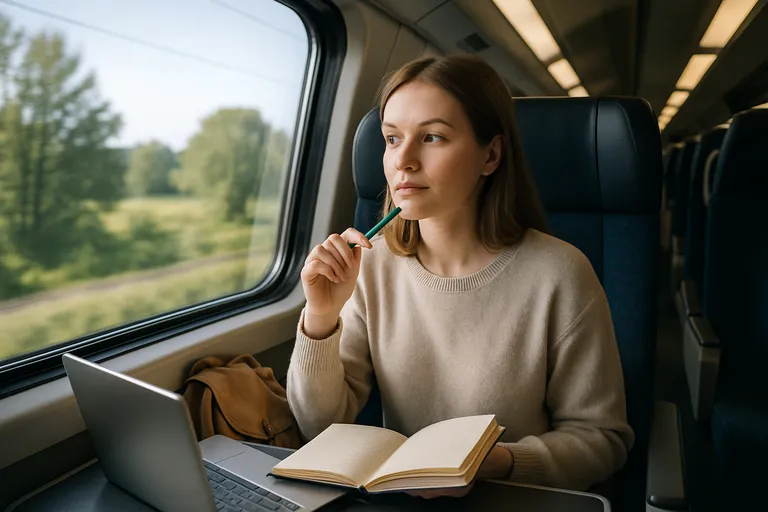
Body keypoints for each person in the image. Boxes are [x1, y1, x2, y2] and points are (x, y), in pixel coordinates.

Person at [285, 54, 634, 497]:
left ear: (490, 155)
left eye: (431, 137)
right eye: (392, 139)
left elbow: (603, 441)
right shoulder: (370, 267)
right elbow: (318, 425)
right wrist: (321, 316)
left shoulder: (560, 273)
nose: (403, 161)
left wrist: (496, 462)